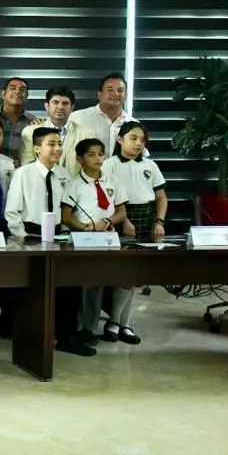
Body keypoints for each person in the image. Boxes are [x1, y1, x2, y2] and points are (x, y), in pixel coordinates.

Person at [5, 127, 90, 354]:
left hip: (57, 235)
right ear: (36, 149)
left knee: (68, 286)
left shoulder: (63, 174)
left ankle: (67, 336)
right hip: (30, 235)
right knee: (34, 289)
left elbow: (65, 209)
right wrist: (22, 237)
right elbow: (12, 212)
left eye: (59, 144)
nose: (57, 149)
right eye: (51, 144)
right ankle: (33, 337)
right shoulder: (24, 173)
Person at [62, 138, 130, 351]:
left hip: (108, 239)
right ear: (80, 159)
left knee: (102, 283)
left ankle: (99, 326)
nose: (97, 158)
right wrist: (82, 227)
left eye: (100, 154)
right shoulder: (74, 184)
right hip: (84, 239)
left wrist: (108, 221)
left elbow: (121, 212)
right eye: (91, 154)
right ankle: (82, 329)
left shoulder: (112, 182)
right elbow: (66, 215)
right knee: (86, 285)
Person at [103, 121, 167, 243]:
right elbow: (106, 199)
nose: (138, 143)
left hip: (147, 216)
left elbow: (161, 197)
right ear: (120, 139)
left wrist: (159, 222)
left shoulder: (150, 165)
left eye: (142, 140)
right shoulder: (108, 165)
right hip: (119, 215)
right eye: (133, 138)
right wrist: (124, 220)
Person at [20, 86, 95, 174]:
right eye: (55, 102)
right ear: (47, 106)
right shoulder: (30, 132)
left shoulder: (86, 134)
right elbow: (27, 167)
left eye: (65, 103)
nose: (60, 107)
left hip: (74, 186)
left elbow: (89, 168)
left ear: (72, 107)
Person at [71, 73, 138, 152]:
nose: (115, 94)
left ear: (126, 96)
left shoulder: (134, 124)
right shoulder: (77, 118)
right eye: (110, 90)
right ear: (100, 95)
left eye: (120, 90)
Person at [0, 77, 37, 163]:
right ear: (3, 94)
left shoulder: (33, 122)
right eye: (12, 88)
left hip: (21, 171)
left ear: (26, 96)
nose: (17, 91)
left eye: (22, 89)